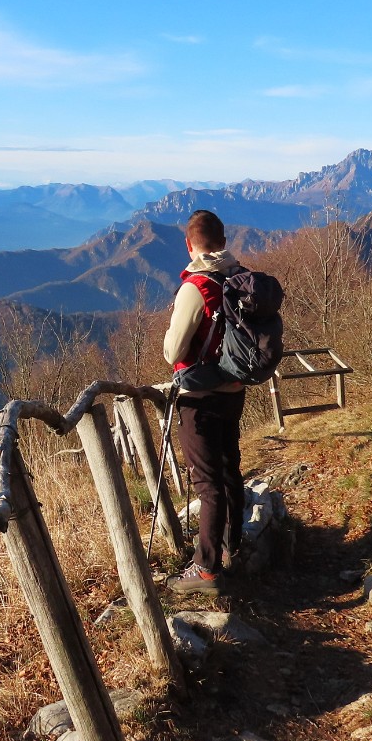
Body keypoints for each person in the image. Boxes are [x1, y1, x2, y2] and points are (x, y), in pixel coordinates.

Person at [162, 209, 246, 596]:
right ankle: (234, 546)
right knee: (229, 467)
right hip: (235, 389)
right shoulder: (239, 278)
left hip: (200, 396)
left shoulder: (196, 287)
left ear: (188, 244)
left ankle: (206, 568)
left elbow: (174, 350)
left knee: (207, 482)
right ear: (225, 241)